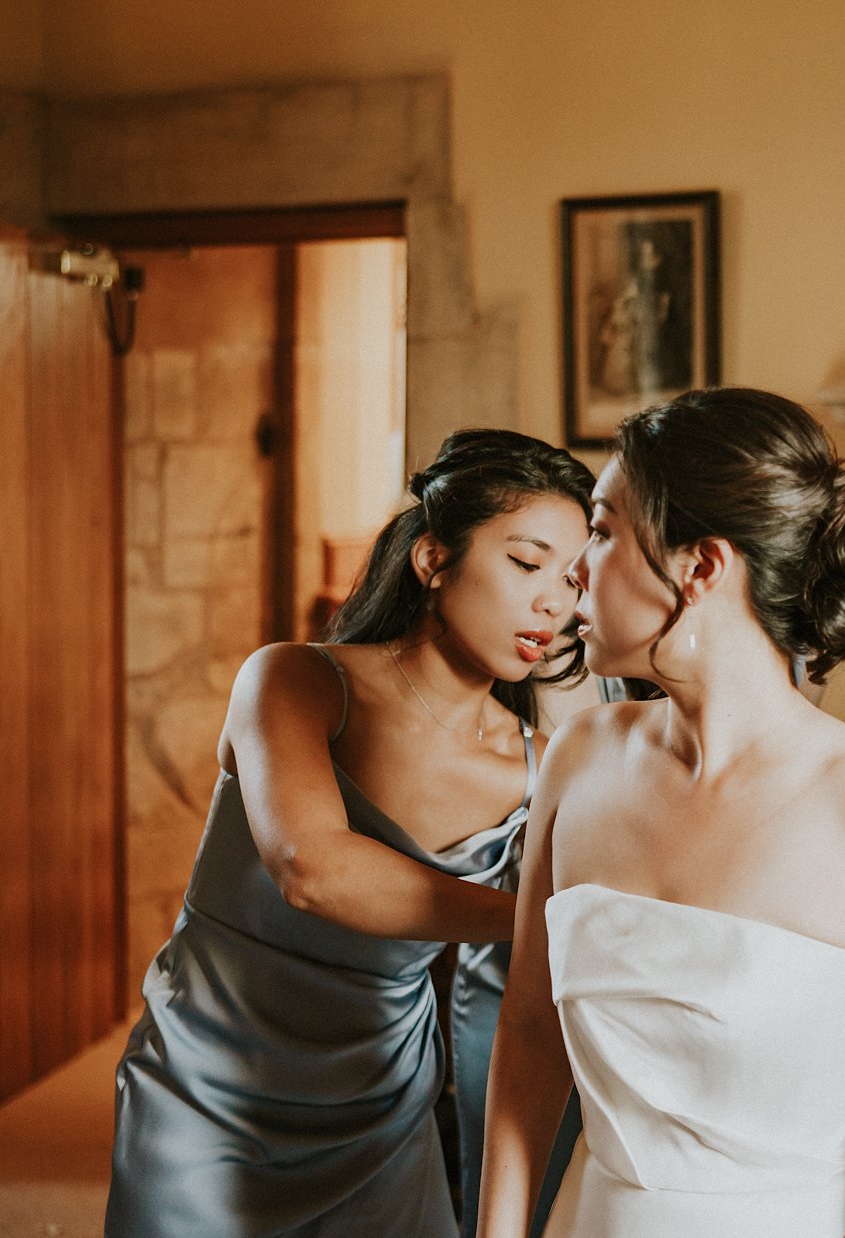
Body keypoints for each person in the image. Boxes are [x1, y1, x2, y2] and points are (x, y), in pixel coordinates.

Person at [478, 387, 845, 1238]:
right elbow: (528, 1036)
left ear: (701, 566)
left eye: (603, 531)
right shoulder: (579, 758)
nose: (574, 569)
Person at [105, 429, 595, 1237]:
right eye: (525, 562)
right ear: (433, 558)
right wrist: (541, 919)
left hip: (381, 1104)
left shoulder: (541, 767)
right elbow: (312, 869)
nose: (554, 602)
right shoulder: (293, 679)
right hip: (208, 1082)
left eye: (572, 578)